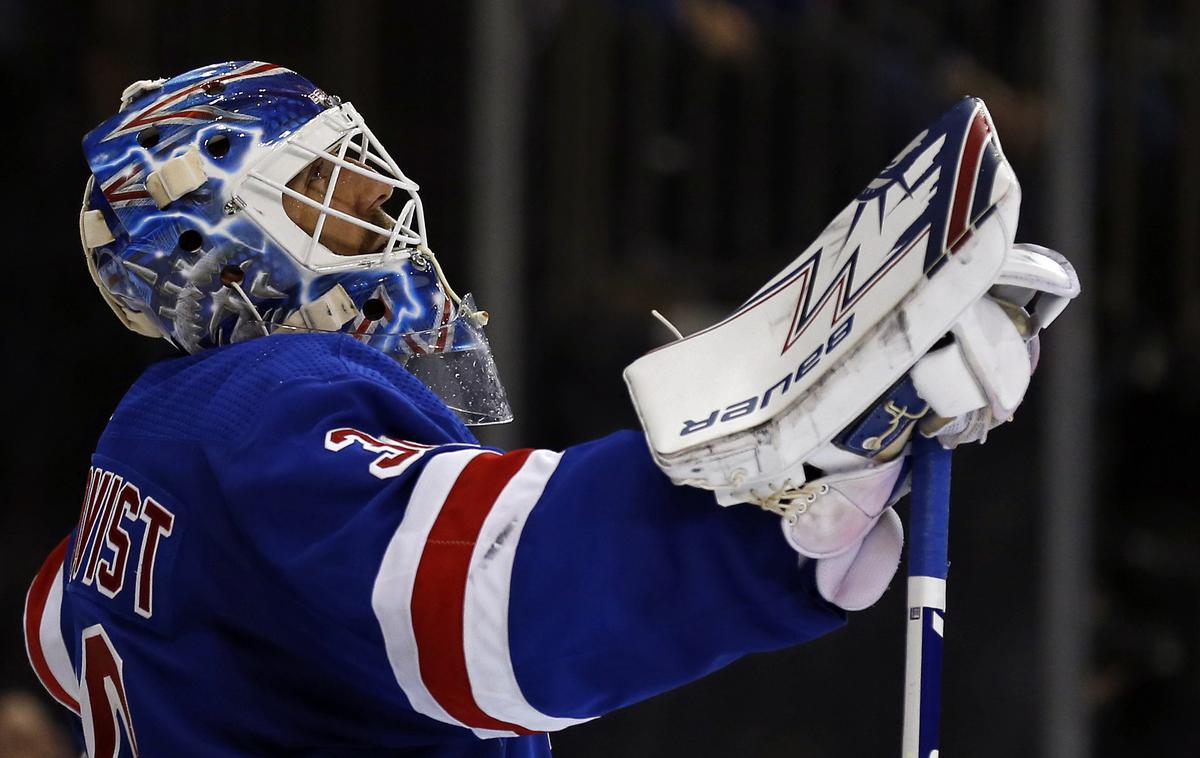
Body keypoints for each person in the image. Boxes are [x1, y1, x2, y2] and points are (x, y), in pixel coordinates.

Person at [23, 61, 1071, 756]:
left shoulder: (156, 438)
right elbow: (499, 603)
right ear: (215, 244)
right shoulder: (263, 405)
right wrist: (788, 467)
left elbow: (62, 630)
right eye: (325, 183)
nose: (384, 201)